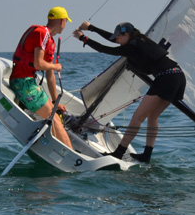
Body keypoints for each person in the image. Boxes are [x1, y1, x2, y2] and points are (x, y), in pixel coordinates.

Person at [74, 20, 185, 163]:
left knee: (138, 117)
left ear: (126, 35)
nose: (117, 40)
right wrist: (91, 28)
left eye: (118, 38)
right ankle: (147, 155)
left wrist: (83, 38)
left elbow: (105, 49)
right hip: (178, 76)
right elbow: (111, 38)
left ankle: (119, 153)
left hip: (166, 78)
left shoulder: (131, 47)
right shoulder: (140, 40)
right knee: (152, 117)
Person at [9, 7, 74, 150]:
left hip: (29, 83)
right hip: (23, 83)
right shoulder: (42, 33)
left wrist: (56, 101)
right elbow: (39, 63)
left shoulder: (49, 40)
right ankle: (69, 152)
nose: (65, 26)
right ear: (62, 21)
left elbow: (50, 75)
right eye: (66, 22)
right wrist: (56, 66)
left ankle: (60, 146)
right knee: (55, 120)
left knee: (55, 114)